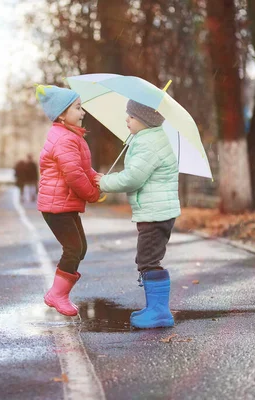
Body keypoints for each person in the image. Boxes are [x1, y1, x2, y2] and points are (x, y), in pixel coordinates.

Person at [96, 98, 180, 329]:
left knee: (148, 260)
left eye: (131, 116)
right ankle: (154, 308)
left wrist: (104, 182)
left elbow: (133, 178)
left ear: (144, 119)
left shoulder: (149, 143)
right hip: (154, 212)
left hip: (156, 213)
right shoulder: (146, 139)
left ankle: (160, 312)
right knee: (147, 259)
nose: (127, 119)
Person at [35, 84, 101, 316]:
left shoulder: (71, 136)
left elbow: (82, 168)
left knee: (79, 249)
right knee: (73, 248)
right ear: (62, 114)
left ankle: (59, 293)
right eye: (78, 108)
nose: (82, 113)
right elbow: (73, 175)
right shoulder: (65, 139)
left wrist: (96, 179)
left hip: (64, 203)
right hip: (56, 206)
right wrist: (93, 194)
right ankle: (57, 294)